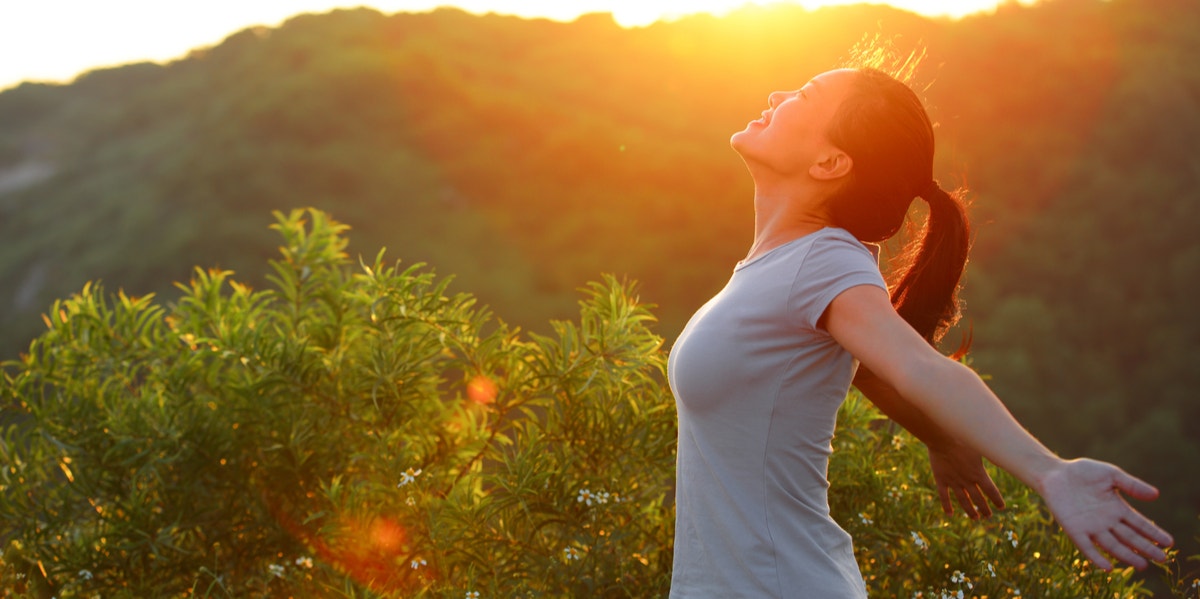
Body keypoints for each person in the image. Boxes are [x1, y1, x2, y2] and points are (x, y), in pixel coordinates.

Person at [666, 65, 1174, 598]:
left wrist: (1049, 471)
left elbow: (918, 367)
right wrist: (938, 436)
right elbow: (865, 370)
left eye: (805, 95)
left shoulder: (824, 263)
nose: (778, 93)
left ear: (830, 162)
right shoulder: (780, 267)